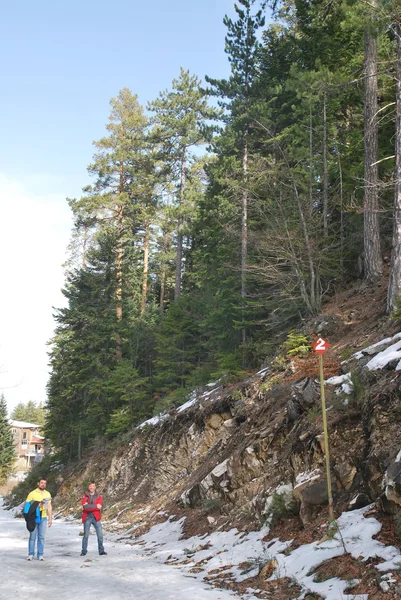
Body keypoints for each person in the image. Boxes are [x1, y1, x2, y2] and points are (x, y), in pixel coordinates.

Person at [25, 477, 52, 561]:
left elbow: (49, 507)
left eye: (44, 483)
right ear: (38, 483)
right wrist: (37, 505)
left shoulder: (47, 494)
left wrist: (50, 518)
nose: (43, 484)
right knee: (32, 536)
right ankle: (30, 554)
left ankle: (40, 554)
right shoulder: (32, 493)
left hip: (43, 517)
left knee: (41, 537)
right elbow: (27, 506)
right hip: (34, 517)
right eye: (41, 483)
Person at [81, 481, 107, 556]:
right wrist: (95, 506)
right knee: (86, 535)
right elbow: (85, 508)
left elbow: (99, 507)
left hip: (96, 517)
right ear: (88, 487)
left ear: (95, 487)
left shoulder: (99, 496)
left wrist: (89, 506)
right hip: (87, 517)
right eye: (90, 486)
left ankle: (101, 551)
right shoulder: (85, 496)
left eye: (93, 486)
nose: (91, 487)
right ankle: (84, 551)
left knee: (100, 535)